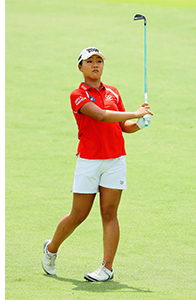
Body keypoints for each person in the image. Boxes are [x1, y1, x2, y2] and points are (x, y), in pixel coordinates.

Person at [41, 47, 151, 282]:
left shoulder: (113, 92)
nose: (95, 65)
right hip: (89, 161)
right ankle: (51, 248)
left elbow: (123, 127)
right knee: (78, 214)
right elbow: (101, 115)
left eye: (99, 61)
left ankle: (107, 268)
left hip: (115, 160)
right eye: (89, 61)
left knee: (109, 214)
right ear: (80, 67)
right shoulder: (77, 95)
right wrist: (134, 112)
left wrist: (140, 123)